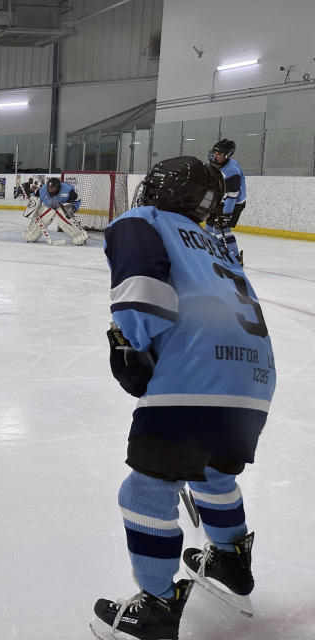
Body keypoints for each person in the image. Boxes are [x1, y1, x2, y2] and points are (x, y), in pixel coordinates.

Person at [91, 156, 275, 640]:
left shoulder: (141, 221)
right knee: (213, 472)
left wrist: (130, 346)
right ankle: (231, 561)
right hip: (254, 379)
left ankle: (155, 605)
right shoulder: (219, 241)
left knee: (147, 488)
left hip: (196, 375)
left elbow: (140, 299)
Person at [206, 139, 246, 265]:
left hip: (234, 203)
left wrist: (226, 214)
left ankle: (235, 256)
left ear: (227, 156)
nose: (215, 156)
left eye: (220, 154)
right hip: (221, 200)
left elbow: (233, 196)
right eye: (215, 152)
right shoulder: (215, 163)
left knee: (221, 228)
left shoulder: (231, 170)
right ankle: (214, 253)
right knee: (209, 227)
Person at [22, 176, 87, 245]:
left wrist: (74, 208)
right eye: (49, 188)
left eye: (52, 188)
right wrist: (33, 207)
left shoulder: (67, 190)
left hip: (64, 206)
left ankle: (80, 235)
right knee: (48, 211)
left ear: (58, 187)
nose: (50, 190)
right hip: (50, 207)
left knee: (61, 212)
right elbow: (34, 197)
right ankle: (32, 234)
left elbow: (77, 199)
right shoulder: (42, 190)